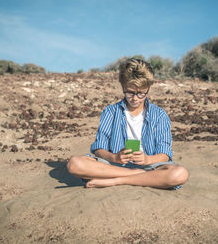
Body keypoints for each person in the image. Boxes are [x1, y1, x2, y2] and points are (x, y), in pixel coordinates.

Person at [67, 58, 189, 189]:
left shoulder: (159, 115)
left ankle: (117, 180)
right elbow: (99, 149)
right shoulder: (110, 112)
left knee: (180, 174)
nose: (135, 98)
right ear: (122, 86)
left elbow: (164, 155)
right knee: (74, 164)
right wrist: (114, 157)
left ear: (148, 88)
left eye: (141, 93)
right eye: (130, 92)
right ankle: (135, 176)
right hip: (114, 167)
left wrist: (147, 160)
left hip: (150, 167)